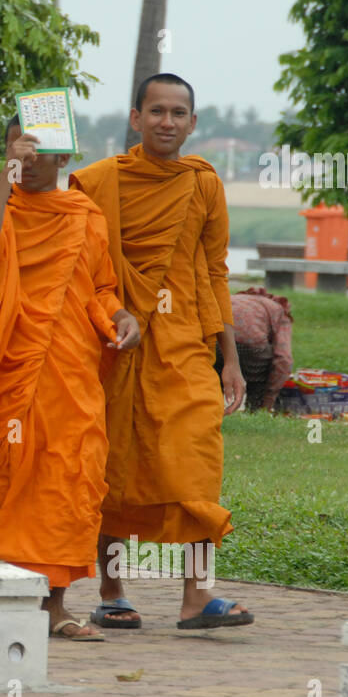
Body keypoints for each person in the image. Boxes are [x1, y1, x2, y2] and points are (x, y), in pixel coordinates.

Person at [0, 114, 139, 640]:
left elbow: (100, 288)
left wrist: (122, 316)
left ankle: (54, 603)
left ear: (66, 157)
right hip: (12, 366)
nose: (33, 156)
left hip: (72, 370)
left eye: (44, 149)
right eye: (22, 146)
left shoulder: (84, 215)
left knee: (69, 477)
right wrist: (7, 175)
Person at [71, 73, 254, 631]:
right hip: (117, 342)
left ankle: (197, 597)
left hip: (183, 347)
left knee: (197, 462)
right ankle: (112, 591)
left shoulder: (203, 183)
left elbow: (216, 271)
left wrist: (231, 359)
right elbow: (80, 266)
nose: (167, 122)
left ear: (193, 123)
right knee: (114, 466)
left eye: (178, 113)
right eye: (157, 112)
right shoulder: (99, 181)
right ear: (135, 118)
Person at [216, 287, 293, 411]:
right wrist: (269, 397)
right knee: (258, 385)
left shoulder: (234, 299)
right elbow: (283, 358)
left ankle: (209, 410)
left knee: (214, 379)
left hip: (218, 342)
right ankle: (255, 410)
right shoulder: (278, 310)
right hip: (253, 348)